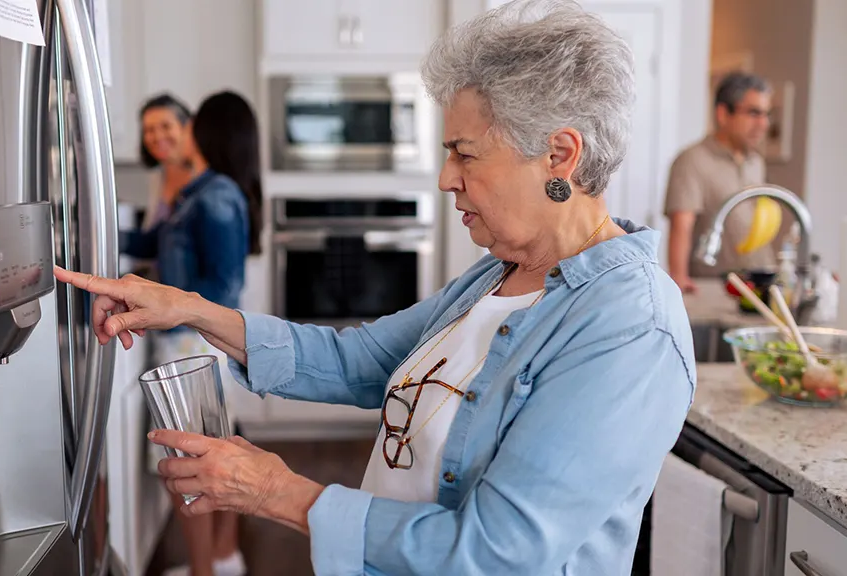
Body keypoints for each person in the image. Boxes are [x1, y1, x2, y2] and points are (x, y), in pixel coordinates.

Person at [58, 2, 694, 573]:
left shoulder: (629, 326)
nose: (446, 178)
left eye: (465, 154)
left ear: (559, 156)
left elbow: (500, 550)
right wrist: (186, 307)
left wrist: (278, 492)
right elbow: (355, 361)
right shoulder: (496, 273)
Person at [121, 91, 263, 576]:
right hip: (186, 341)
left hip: (195, 345)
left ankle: (206, 569)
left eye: (189, 123)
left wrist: (164, 301)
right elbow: (153, 243)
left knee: (194, 471)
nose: (179, 132)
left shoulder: (216, 195)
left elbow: (223, 287)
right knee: (207, 460)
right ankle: (221, 560)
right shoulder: (196, 192)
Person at [664, 72, 773, 293]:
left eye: (766, 114)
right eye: (753, 113)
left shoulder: (756, 162)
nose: (763, 124)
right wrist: (678, 280)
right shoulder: (692, 160)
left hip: (758, 286)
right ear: (723, 114)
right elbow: (681, 226)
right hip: (716, 289)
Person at [138, 94, 195, 235]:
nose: (157, 136)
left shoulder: (203, 178)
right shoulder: (157, 176)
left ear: (186, 128)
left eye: (166, 126)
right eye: (149, 130)